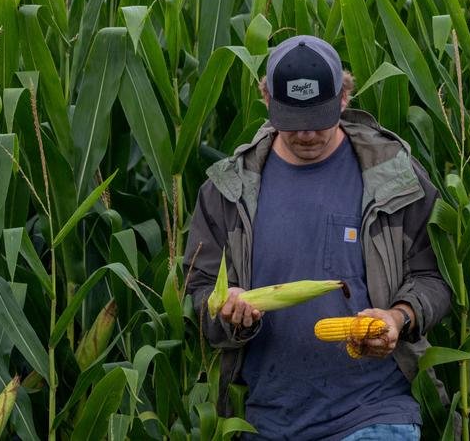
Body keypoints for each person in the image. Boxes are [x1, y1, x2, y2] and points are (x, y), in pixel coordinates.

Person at [183, 35, 453, 441]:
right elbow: (198, 288)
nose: (307, 134)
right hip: (264, 419)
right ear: (266, 99)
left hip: (373, 411)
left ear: (344, 98)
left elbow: (434, 276)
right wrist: (226, 309)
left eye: (318, 119)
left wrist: (398, 317)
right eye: (293, 122)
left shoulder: (395, 178)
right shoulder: (227, 191)